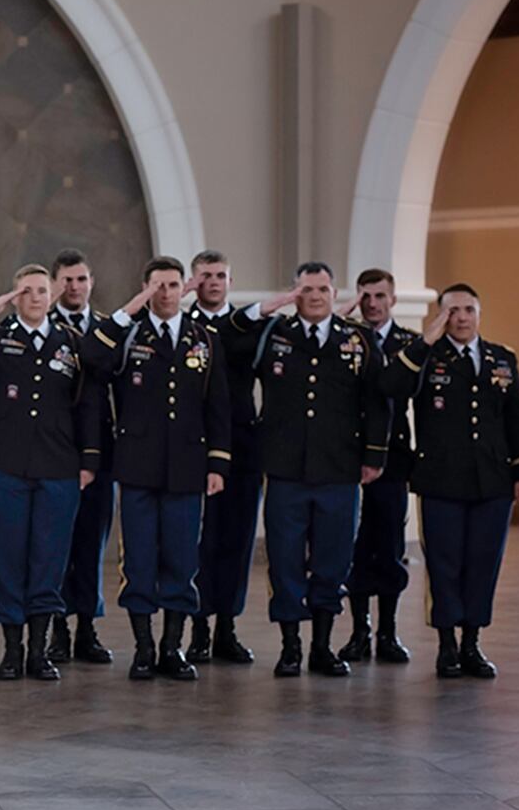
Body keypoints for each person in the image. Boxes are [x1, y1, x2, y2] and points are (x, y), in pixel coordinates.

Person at [0, 265, 101, 682]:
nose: (34, 297)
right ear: (14, 296)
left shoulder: (71, 342)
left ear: (53, 295)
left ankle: (40, 652)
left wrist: (89, 461)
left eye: (41, 290)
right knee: (7, 559)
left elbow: (88, 404)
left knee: (49, 558)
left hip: (59, 466)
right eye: (25, 291)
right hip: (2, 465)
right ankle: (13, 651)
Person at [229, 262, 389, 677]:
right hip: (285, 469)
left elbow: (376, 402)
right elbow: (228, 337)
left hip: (339, 469)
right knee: (284, 560)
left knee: (333, 559)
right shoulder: (272, 333)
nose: (314, 295)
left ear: (334, 294)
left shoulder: (359, 339)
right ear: (294, 292)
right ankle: (290, 647)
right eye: (306, 288)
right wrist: (266, 307)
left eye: (322, 288)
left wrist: (373, 456)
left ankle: (322, 646)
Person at [82, 258, 231, 681]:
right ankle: (144, 647)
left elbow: (218, 406)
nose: (165, 293)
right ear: (145, 289)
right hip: (137, 466)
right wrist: (129, 310)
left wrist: (218, 461)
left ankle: (172, 648)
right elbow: (91, 356)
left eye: (171, 285)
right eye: (156, 287)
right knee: (140, 560)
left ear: (184, 287)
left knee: (182, 559)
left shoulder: (204, 338)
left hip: (187, 466)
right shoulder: (130, 334)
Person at [380, 285, 519, 678]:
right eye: (453, 311)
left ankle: (472, 643)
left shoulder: (502, 358)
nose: (462, 318)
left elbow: (518, 418)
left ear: (479, 313)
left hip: (493, 480)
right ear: (440, 315)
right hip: (441, 480)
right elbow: (391, 385)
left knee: (483, 563)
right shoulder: (426, 357)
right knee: (445, 564)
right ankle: (447, 645)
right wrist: (425, 341)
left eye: (468, 310)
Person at [337, 269, 417, 664]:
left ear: (393, 299)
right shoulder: (345, 340)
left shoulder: (408, 344)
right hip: (349, 458)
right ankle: (358, 631)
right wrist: (341, 318)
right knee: (355, 546)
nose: (372, 303)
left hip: (393, 460)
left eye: (380, 296)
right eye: (365, 296)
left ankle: (388, 631)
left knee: (389, 546)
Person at [184, 250, 259, 664]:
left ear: (231, 281)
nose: (214, 282)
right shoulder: (182, 326)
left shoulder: (247, 328)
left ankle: (227, 627)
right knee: (198, 540)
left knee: (237, 537)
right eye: (206, 276)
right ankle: (197, 628)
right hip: (193, 447)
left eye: (220, 275)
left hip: (242, 447)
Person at [47, 249, 116, 664]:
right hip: (52, 450)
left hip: (100, 453)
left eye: (80, 279)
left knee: (92, 542)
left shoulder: (109, 329)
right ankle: (56, 627)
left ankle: (87, 626)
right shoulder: (42, 326)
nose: (74, 287)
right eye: (66, 280)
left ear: (92, 282)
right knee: (56, 544)